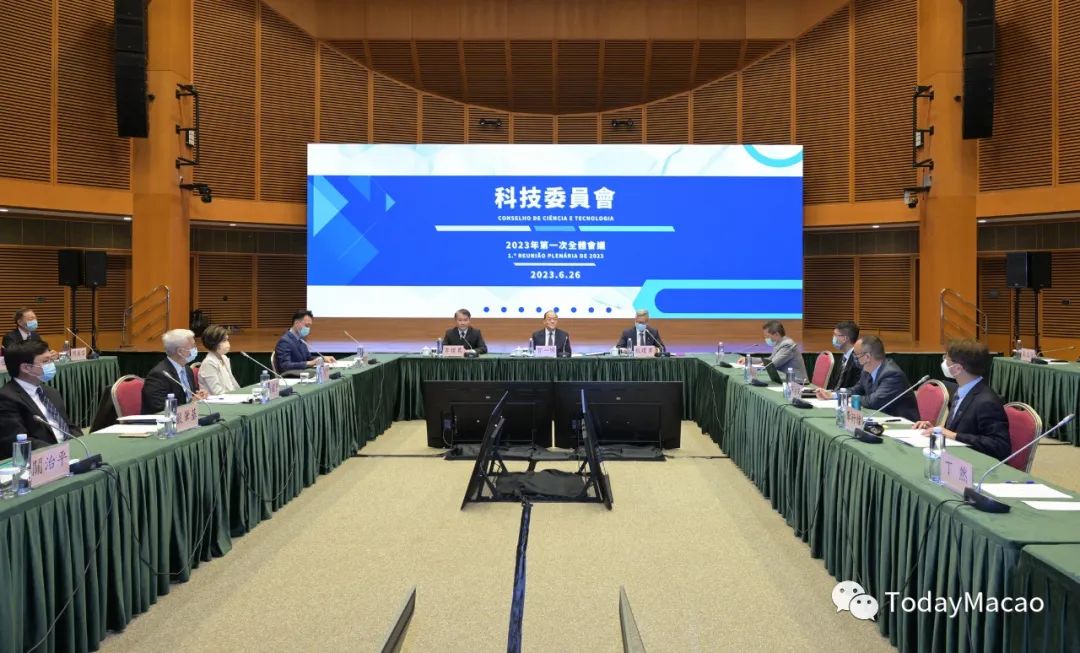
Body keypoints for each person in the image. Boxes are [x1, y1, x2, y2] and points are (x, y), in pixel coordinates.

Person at [913, 340, 1011, 460]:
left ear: (958, 368)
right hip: (954, 458)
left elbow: (1000, 446)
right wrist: (935, 429)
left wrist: (955, 436)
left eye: (946, 359)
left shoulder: (987, 402)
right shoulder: (962, 390)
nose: (944, 362)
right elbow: (957, 430)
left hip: (974, 464)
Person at [816, 335, 920, 422]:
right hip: (882, 420)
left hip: (903, 426)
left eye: (856, 356)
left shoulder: (892, 374)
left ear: (867, 357)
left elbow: (873, 402)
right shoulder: (867, 370)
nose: (854, 359)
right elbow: (856, 390)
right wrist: (833, 395)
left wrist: (850, 399)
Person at [0, 340, 75, 450]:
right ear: (26, 368)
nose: (51, 365)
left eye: (51, 360)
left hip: (70, 450)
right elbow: (18, 441)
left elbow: (69, 427)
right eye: (46, 361)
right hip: (44, 454)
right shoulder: (6, 398)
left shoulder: (51, 392)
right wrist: (60, 451)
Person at [142, 329, 208, 413]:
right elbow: (161, 409)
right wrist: (190, 404)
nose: (195, 349)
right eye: (193, 346)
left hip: (190, 416)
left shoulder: (187, 369)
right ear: (180, 351)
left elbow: (190, 396)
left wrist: (199, 395)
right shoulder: (159, 375)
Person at [738, 320, 808, 382]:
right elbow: (769, 360)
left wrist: (755, 367)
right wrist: (749, 360)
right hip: (785, 380)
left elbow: (772, 364)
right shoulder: (779, 343)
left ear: (776, 334)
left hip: (797, 382)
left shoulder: (787, 345)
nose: (766, 338)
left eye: (767, 336)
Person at [198, 325, 241, 395]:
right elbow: (217, 392)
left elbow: (232, 382)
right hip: (217, 400)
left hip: (231, 397)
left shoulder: (224, 358)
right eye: (224, 340)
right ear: (214, 343)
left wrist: (241, 394)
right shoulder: (208, 363)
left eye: (227, 339)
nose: (227, 343)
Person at [829, 320, 862, 390]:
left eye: (835, 335)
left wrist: (834, 394)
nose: (833, 338)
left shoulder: (858, 361)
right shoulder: (844, 357)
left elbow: (857, 389)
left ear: (845, 338)